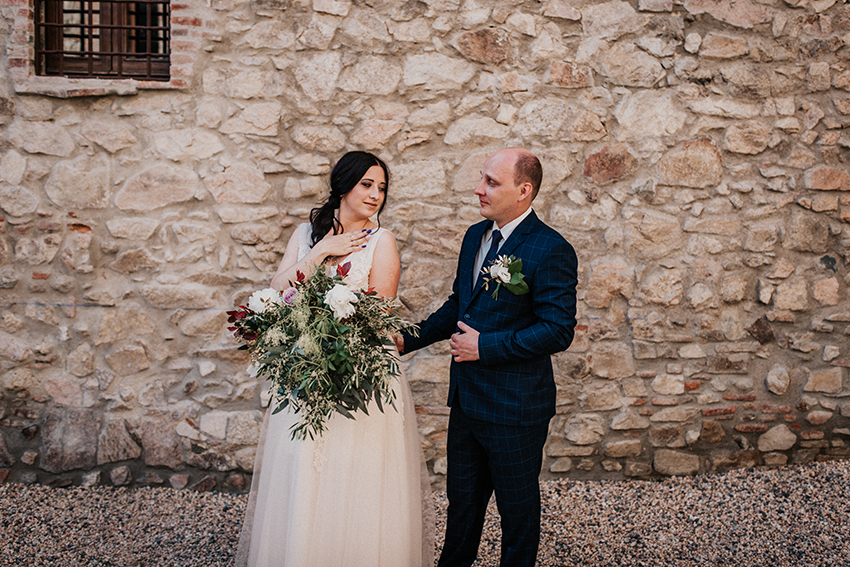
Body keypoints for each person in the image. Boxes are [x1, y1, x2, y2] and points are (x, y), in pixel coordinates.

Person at [236, 150, 434, 567]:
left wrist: (335, 335)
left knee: (356, 470)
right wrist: (321, 251)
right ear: (343, 185)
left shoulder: (382, 241)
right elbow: (277, 288)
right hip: (306, 368)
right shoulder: (307, 234)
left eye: (382, 187)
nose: (376, 194)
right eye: (367, 184)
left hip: (358, 368)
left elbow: (380, 310)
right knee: (305, 467)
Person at [399, 148, 578, 567]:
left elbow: (558, 329)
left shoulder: (550, 249)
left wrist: (486, 346)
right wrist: (406, 339)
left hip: (515, 408)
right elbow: (459, 305)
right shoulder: (474, 236)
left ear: (524, 190)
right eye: (482, 179)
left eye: (491, 182)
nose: (479, 189)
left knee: (516, 514)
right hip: (466, 402)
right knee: (461, 506)